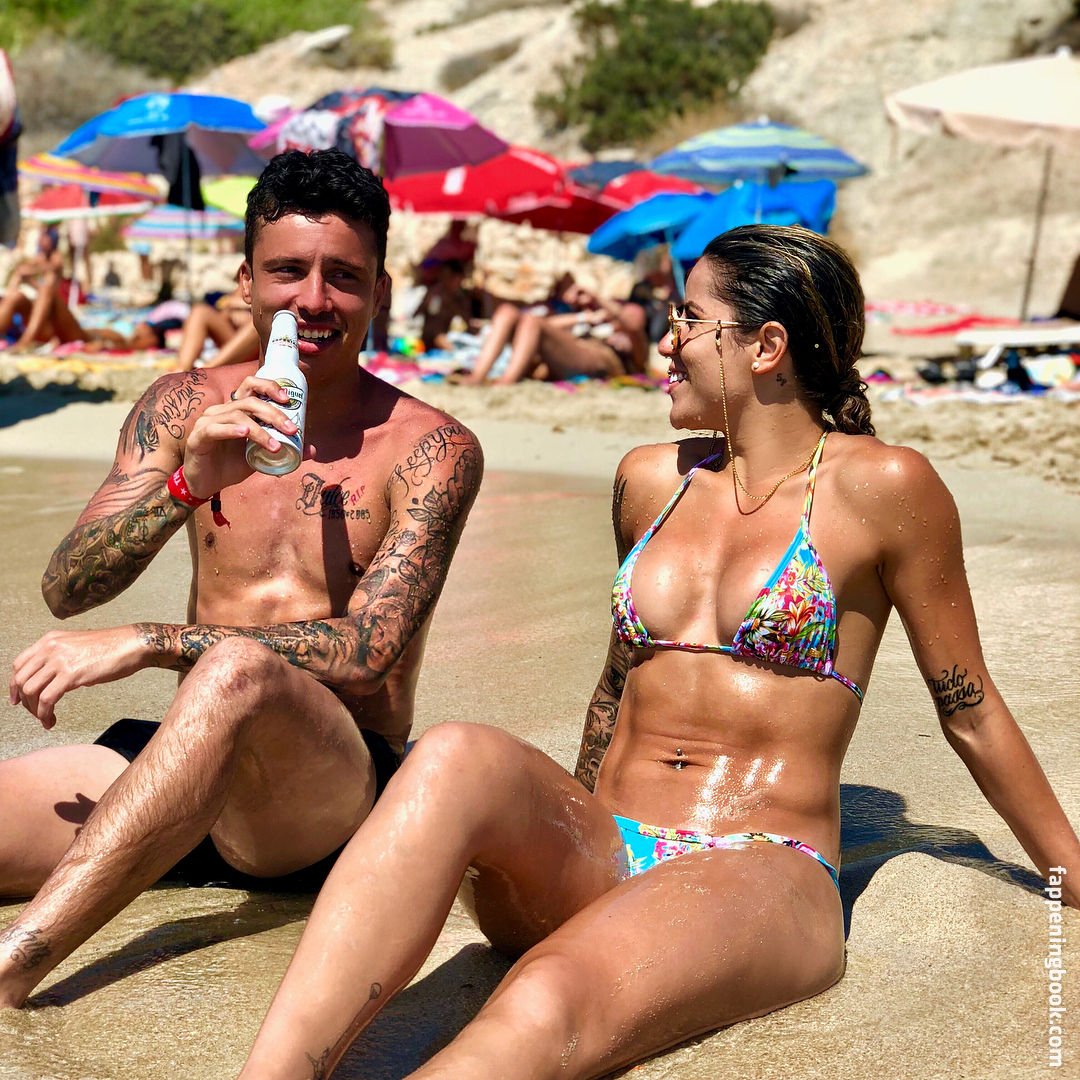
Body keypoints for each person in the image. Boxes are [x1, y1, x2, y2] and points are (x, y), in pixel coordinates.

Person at [236, 224, 1078, 1079]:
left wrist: (1070, 876)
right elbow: (617, 684)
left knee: (544, 995)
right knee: (452, 754)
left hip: (760, 869)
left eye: (690, 319)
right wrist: (555, 827)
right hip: (607, 847)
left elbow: (970, 711)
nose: (667, 342)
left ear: (766, 347)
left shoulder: (883, 488)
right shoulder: (650, 480)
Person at [0, 148, 483, 1009]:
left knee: (239, 672)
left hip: (326, 794)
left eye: (343, 277)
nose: (313, 300)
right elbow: (67, 588)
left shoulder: (431, 448)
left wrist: (150, 641)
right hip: (184, 766)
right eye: (288, 271)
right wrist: (187, 486)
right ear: (247, 282)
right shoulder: (182, 405)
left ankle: (14, 965)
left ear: (379, 292)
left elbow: (368, 652)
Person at [463, 281, 648, 385]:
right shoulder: (595, 323)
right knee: (507, 311)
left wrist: (597, 298)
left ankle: (507, 381)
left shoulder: (635, 342)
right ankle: (478, 375)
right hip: (574, 349)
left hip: (602, 359)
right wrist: (583, 317)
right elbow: (543, 327)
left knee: (532, 321)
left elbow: (632, 323)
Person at [0, 262, 181, 351]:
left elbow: (124, 347)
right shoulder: (132, 328)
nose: (145, 324)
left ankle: (25, 342)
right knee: (17, 297)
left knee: (48, 289)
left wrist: (101, 344)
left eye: (150, 327)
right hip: (64, 332)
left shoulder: (143, 339)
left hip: (82, 337)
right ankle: (26, 338)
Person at [173, 281, 259, 371]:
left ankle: (203, 372)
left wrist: (245, 307)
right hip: (239, 342)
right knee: (200, 312)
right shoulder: (248, 278)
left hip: (262, 345)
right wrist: (231, 312)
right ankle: (182, 370)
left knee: (255, 324)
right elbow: (226, 306)